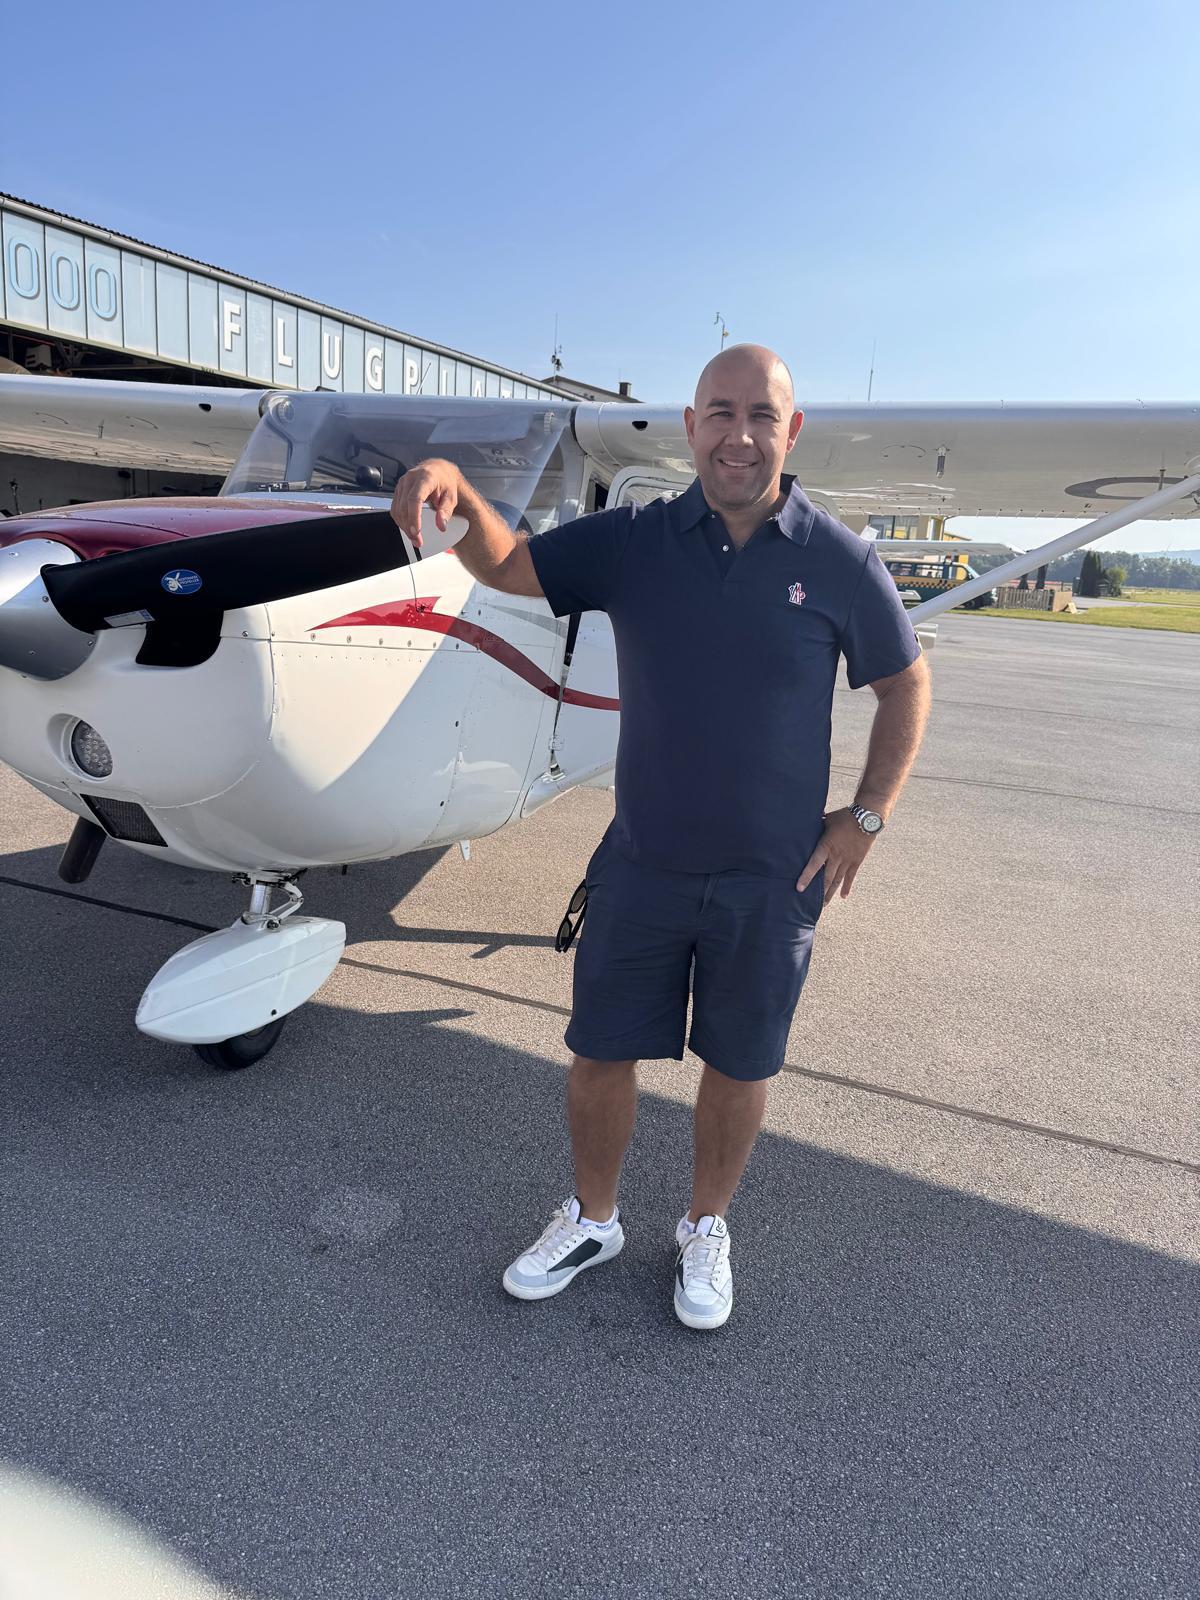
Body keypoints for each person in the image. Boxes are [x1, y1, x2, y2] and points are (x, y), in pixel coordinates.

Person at [390, 345, 931, 1330]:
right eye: (720, 412)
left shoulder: (838, 560)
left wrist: (866, 816)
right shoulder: (635, 541)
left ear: (791, 431)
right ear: (690, 426)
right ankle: (594, 1219)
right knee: (600, 1055)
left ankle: (704, 1226)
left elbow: (906, 683)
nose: (739, 435)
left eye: (760, 415)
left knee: (741, 1065)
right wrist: (459, 493)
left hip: (771, 881)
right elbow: (509, 565)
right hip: (642, 861)